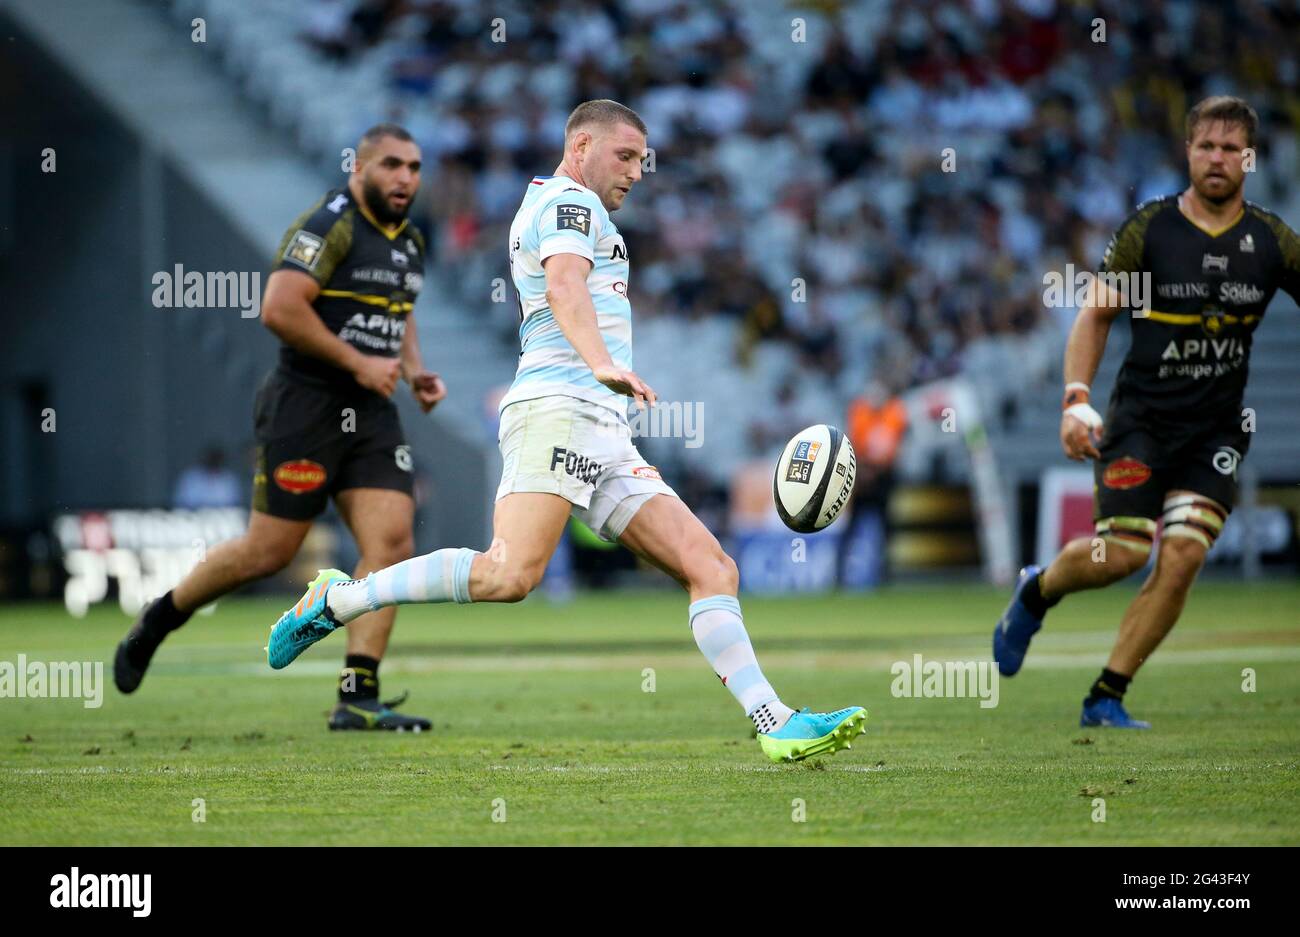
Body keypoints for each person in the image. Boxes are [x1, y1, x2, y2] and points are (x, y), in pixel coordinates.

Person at [266, 100, 866, 763]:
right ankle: (341, 596)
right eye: (626, 155)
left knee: (711, 565)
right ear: (580, 146)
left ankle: (774, 720)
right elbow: (562, 288)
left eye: (642, 159)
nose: (638, 171)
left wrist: (604, 377)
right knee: (508, 574)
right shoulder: (567, 205)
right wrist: (602, 361)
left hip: (603, 426)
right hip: (558, 408)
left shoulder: (586, 214)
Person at [114, 124, 447, 732]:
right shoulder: (329, 225)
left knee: (392, 544)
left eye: (415, 168)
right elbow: (279, 308)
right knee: (270, 551)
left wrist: (415, 371)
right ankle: (161, 617)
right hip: (307, 405)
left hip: (371, 412)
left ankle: (356, 694)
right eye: (393, 165)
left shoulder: (410, 241)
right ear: (360, 168)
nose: (406, 179)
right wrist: (358, 361)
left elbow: (400, 310)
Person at [994, 96, 1300, 728]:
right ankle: (1038, 589)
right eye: (1204, 146)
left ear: (1250, 157)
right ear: (1188, 152)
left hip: (1216, 429)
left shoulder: (1272, 241)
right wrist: (1075, 399)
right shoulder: (1150, 230)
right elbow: (1096, 314)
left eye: (1229, 148)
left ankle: (1106, 695)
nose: (1216, 158)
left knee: (1184, 554)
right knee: (1123, 555)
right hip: (1142, 422)